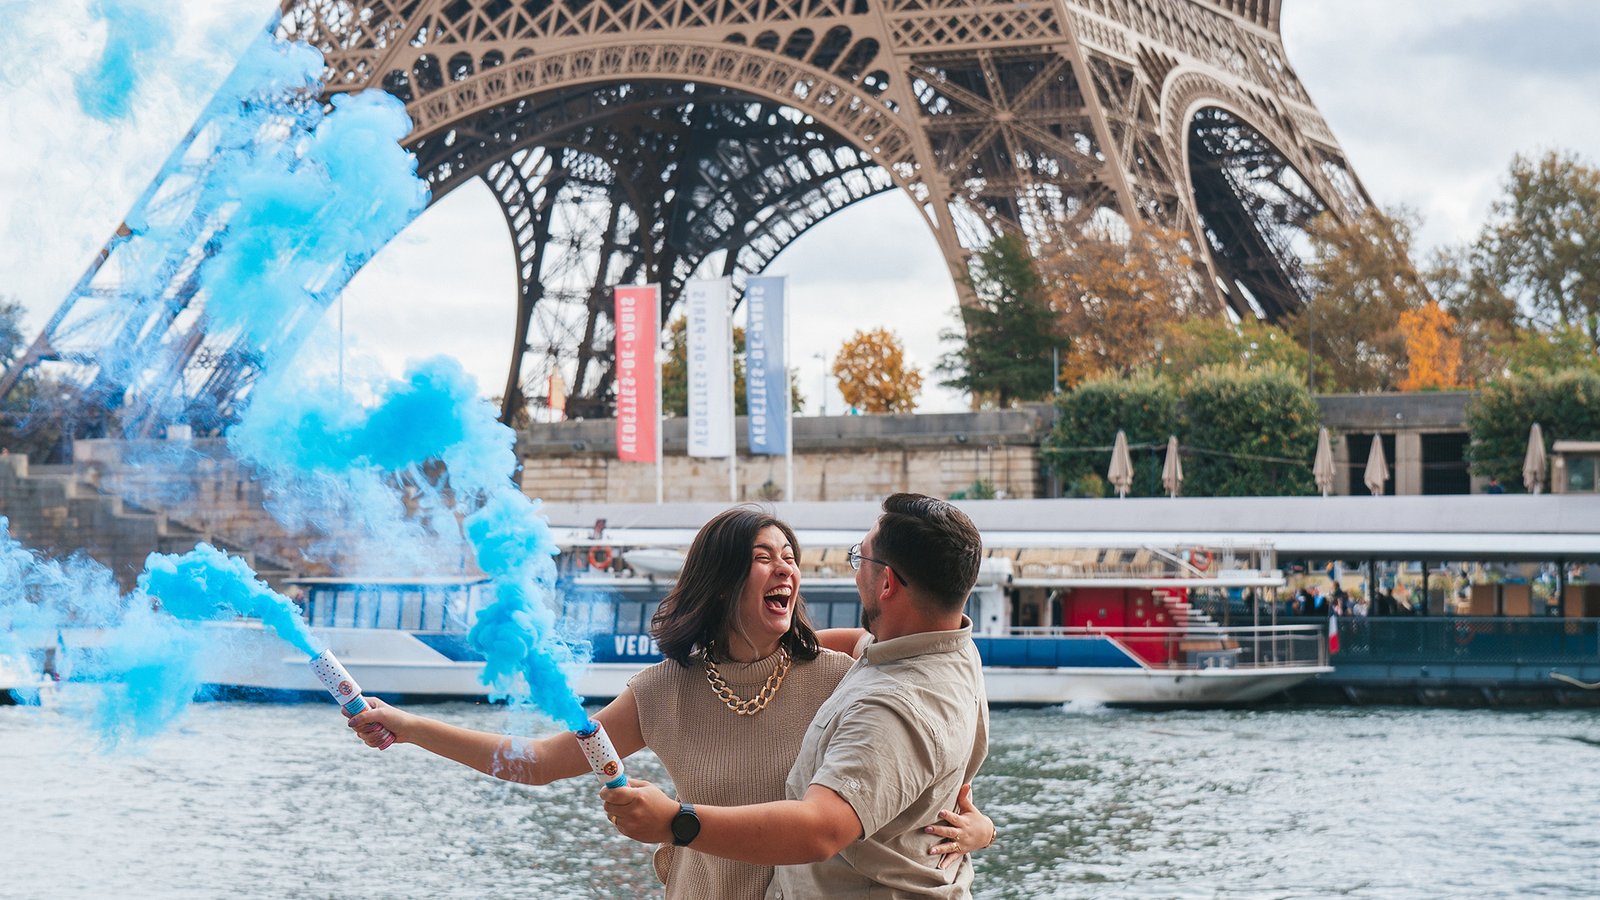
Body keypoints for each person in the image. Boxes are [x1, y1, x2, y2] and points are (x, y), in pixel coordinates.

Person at [345, 506, 992, 898]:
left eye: (790, 557)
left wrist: (982, 828)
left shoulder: (840, 670)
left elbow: (924, 760)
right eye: (763, 557)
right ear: (722, 582)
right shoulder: (664, 690)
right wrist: (410, 727)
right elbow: (539, 763)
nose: (786, 569)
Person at [603, 493, 991, 898]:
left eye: (860, 558)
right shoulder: (954, 651)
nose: (855, 571)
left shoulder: (887, 708)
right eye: (764, 557)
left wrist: (675, 822)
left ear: (888, 583)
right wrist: (762, 654)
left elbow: (820, 830)